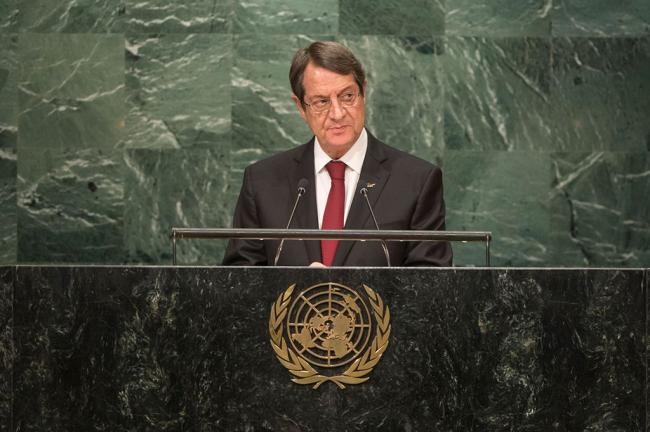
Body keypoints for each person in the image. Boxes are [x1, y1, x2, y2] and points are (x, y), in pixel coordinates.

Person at [222, 41, 452, 267]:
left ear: (363, 92)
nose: (338, 113)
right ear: (300, 107)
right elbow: (239, 281)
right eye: (321, 101)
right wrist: (297, 288)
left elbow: (430, 283)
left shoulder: (416, 181)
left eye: (347, 96)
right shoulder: (262, 182)